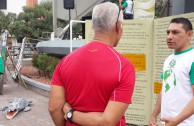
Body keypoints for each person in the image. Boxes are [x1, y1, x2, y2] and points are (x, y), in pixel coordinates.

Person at [48, 2, 136, 126]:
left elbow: (54, 108)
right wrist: (73, 114)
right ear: (118, 26)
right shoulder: (124, 67)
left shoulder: (65, 61)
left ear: (93, 26)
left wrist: (70, 114)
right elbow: (106, 122)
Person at [149, 17, 194, 126]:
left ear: (189, 34)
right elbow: (165, 89)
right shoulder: (169, 60)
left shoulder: (192, 58)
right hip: (168, 122)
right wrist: (154, 115)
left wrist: (177, 120)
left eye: (175, 32)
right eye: (168, 32)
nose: (169, 37)